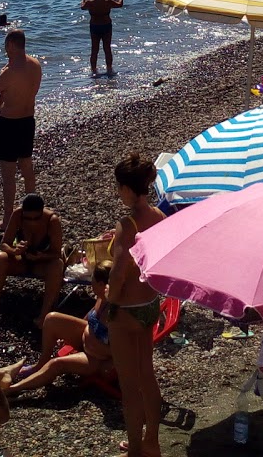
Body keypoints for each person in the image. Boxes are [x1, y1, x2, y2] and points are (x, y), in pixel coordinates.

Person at [107, 153, 166, 457]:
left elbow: (117, 273)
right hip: (150, 304)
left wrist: (108, 303)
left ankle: (135, 450)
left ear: (128, 189)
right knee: (148, 375)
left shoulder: (126, 225)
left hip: (127, 310)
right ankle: (152, 441)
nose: (118, 192)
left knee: (129, 386)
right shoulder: (158, 215)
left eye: (119, 187)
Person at [0, 262, 114, 395]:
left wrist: (105, 356)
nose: (90, 284)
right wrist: (69, 336)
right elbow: (88, 319)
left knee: (56, 364)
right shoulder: (101, 298)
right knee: (52, 319)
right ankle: (40, 365)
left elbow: (124, 349)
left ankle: (12, 389)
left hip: (95, 358)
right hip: (86, 340)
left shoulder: (114, 313)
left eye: (92, 280)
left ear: (101, 284)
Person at [0, 193, 64, 324]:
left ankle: (44, 315)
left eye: (35, 218)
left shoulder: (52, 221)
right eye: (28, 218)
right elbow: (3, 244)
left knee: (57, 265)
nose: (32, 222)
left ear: (42, 213)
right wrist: (14, 251)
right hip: (22, 261)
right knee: (0, 258)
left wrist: (42, 256)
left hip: (42, 264)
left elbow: (57, 253)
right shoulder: (18, 215)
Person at [0, 30, 42, 221]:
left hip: (10, 124)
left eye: (6, 46)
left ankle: (7, 217)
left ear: (10, 44)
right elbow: (23, 90)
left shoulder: (9, 72)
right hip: (28, 120)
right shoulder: (35, 64)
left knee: (8, 173)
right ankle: (33, 209)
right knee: (26, 166)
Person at [81, 0, 123, 77]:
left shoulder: (90, 2)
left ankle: (94, 71)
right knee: (107, 48)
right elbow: (120, 4)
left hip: (95, 26)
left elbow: (82, 7)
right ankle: (109, 69)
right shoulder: (108, 1)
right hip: (106, 25)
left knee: (94, 49)